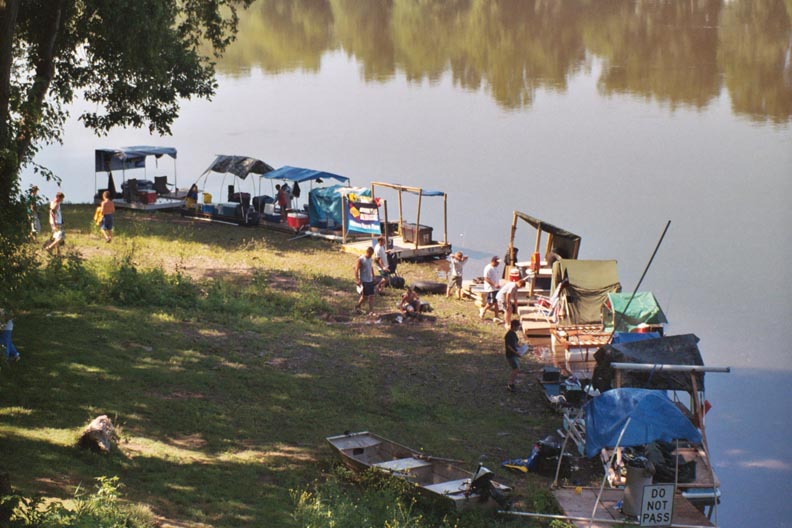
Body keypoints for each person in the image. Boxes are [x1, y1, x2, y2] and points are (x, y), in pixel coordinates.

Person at [354, 246, 379, 315]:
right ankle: (357, 306)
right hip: (364, 280)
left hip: (370, 280)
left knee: (371, 296)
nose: (371, 255)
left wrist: (373, 276)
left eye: (372, 254)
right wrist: (357, 279)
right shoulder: (361, 259)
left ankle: (371, 310)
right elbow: (356, 269)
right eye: (370, 254)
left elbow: (371, 267)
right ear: (367, 252)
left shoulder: (370, 259)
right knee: (365, 297)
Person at [480, 255, 501, 322]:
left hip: (496, 288)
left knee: (496, 302)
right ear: (493, 261)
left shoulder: (496, 268)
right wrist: (494, 284)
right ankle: (483, 310)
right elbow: (486, 278)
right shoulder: (488, 268)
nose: (498, 264)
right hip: (491, 288)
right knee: (491, 302)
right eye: (497, 262)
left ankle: (496, 316)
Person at [504, 319, 523, 392]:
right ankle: (510, 383)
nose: (519, 328)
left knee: (516, 368)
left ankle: (512, 382)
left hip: (514, 354)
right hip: (511, 355)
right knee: (516, 369)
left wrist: (520, 347)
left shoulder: (514, 334)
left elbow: (515, 343)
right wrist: (516, 353)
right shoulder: (509, 335)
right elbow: (509, 346)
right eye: (518, 326)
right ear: (514, 326)